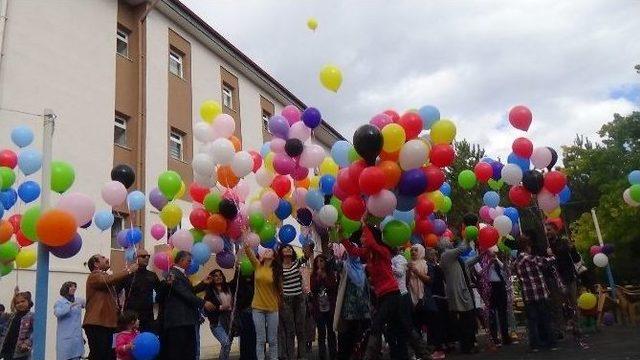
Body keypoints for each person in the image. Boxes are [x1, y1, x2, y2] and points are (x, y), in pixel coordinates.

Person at [341, 222, 413, 360]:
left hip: (393, 294)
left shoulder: (382, 251)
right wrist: (342, 238)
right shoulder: (368, 254)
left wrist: (364, 225)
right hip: (383, 296)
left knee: (377, 325)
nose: (361, 239)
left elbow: (372, 244)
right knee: (397, 328)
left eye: (363, 237)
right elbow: (353, 251)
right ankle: (401, 355)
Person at [161, 251, 215, 360]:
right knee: (179, 353)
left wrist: (203, 283)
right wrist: (203, 303)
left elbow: (189, 292)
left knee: (188, 352)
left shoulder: (182, 274)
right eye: (188, 261)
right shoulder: (172, 274)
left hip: (186, 319)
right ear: (181, 260)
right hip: (179, 321)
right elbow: (184, 294)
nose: (190, 264)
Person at [83, 254, 137, 360]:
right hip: (97, 323)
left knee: (109, 356)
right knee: (99, 355)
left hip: (108, 324)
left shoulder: (105, 278)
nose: (107, 259)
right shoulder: (94, 275)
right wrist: (129, 270)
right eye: (103, 258)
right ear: (96, 264)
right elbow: (109, 279)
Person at [513, 230, 558, 352]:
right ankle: (551, 343)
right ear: (527, 246)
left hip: (528, 295)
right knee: (545, 318)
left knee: (532, 321)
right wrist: (551, 254)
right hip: (540, 293)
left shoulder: (516, 262)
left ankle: (535, 345)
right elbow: (549, 261)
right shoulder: (532, 259)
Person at [333, 233, 371, 360]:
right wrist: (334, 249)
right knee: (347, 336)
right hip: (349, 310)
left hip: (363, 309)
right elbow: (333, 265)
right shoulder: (344, 266)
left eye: (356, 251)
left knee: (362, 335)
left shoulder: (362, 268)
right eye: (351, 251)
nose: (354, 253)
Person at [244, 242, 282, 360]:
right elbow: (249, 254)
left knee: (272, 339)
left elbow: (280, 290)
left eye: (269, 251)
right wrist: (246, 241)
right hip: (258, 308)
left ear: (274, 256)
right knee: (260, 339)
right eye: (265, 250)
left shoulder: (277, 272)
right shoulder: (257, 266)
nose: (266, 250)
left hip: (272, 308)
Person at [439, 236, 477, 354]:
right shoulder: (447, 255)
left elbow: (467, 262)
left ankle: (469, 344)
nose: (451, 242)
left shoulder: (454, 258)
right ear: (445, 245)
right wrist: (468, 235)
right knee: (465, 320)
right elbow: (462, 248)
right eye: (449, 241)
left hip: (463, 290)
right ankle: (466, 346)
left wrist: (481, 255)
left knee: (468, 318)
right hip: (458, 292)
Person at [545, 219, 580, 338]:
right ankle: (560, 329)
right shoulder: (546, 245)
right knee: (557, 305)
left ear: (555, 229)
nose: (547, 232)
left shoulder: (564, 243)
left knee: (573, 302)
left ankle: (576, 326)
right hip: (555, 278)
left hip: (568, 276)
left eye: (549, 229)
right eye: (546, 230)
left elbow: (576, 259)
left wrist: (572, 249)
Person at [277, 244, 312, 360]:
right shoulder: (279, 267)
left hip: (299, 299)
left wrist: (308, 246)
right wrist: (280, 299)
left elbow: (307, 256)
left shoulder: (296, 262)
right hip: (286, 301)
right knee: (290, 330)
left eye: (290, 248)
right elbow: (280, 285)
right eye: (285, 248)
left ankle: (302, 356)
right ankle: (290, 356)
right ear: (281, 252)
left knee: (300, 329)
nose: (288, 249)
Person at [194, 269, 233, 360]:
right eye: (215, 275)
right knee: (226, 342)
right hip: (216, 323)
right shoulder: (209, 291)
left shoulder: (228, 287)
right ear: (212, 278)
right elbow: (207, 309)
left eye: (220, 275)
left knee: (227, 345)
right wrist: (220, 308)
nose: (218, 277)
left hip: (228, 321)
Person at [120, 249, 161, 333]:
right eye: (143, 256)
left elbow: (161, 293)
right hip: (131, 316)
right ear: (135, 258)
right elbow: (116, 291)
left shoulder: (152, 275)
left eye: (148, 256)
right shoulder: (128, 274)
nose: (146, 258)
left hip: (148, 316)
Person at [311, 254, 338, 360]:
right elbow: (313, 289)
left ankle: (333, 354)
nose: (319, 263)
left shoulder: (330, 274)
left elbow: (333, 287)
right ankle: (322, 356)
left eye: (321, 261)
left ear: (325, 262)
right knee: (321, 333)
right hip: (319, 308)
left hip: (329, 307)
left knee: (331, 332)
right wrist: (318, 277)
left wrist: (324, 276)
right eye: (317, 261)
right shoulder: (313, 275)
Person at [228, 262, 257, 360]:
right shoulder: (238, 282)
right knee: (245, 337)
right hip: (244, 311)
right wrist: (237, 270)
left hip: (255, 310)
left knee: (253, 337)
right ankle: (247, 357)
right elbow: (233, 285)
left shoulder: (255, 281)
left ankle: (251, 356)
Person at [424, 247, 448, 359]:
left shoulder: (433, 267)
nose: (434, 255)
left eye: (434, 253)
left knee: (437, 324)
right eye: (432, 254)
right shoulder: (433, 266)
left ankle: (439, 349)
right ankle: (440, 346)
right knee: (438, 323)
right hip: (438, 296)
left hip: (438, 296)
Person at [54, 281, 85, 360]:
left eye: (75, 286)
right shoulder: (60, 302)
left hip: (77, 338)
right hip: (65, 338)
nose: (74, 288)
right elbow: (58, 313)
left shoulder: (78, 300)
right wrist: (70, 306)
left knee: (76, 356)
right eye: (71, 286)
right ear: (66, 288)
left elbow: (89, 304)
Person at [0, 291, 34, 359]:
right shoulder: (12, 316)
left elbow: (35, 332)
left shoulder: (31, 316)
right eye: (17, 303)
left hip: (21, 351)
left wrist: (27, 342)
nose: (20, 304)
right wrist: (15, 293)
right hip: (8, 350)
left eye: (23, 301)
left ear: (29, 302)